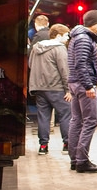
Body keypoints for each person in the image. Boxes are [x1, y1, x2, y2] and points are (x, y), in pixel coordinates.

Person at [67, 10, 97, 173]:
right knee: (90, 121)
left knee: (76, 120)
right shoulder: (84, 39)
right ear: (92, 23)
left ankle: (75, 159)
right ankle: (82, 160)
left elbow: (81, 62)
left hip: (75, 83)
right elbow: (80, 64)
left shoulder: (77, 37)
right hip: (83, 85)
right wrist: (89, 85)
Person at [28, 23, 71, 155]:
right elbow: (64, 70)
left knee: (43, 117)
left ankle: (43, 146)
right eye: (65, 35)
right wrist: (68, 89)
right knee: (65, 115)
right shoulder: (60, 49)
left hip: (39, 88)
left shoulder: (36, 48)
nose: (67, 38)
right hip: (56, 88)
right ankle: (67, 144)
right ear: (58, 36)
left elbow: (30, 65)